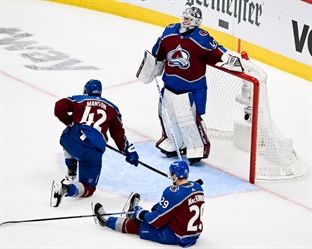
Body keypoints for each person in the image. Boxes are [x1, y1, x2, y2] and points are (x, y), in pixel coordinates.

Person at [136, 6, 243, 164]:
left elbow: (216, 50)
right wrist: (152, 66)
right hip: (169, 86)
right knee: (166, 116)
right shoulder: (170, 31)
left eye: (189, 18)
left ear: (197, 21)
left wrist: (228, 58)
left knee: (189, 120)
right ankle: (173, 142)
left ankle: (196, 146)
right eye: (185, 17)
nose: (186, 20)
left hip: (191, 89)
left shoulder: (201, 38)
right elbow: (158, 50)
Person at [51, 79, 139, 207]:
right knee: (88, 188)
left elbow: (59, 107)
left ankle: (71, 166)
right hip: (92, 150)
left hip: (72, 139)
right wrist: (127, 150)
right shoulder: (112, 108)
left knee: (70, 131)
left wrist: (69, 122)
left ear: (86, 91)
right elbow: (117, 133)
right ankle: (66, 189)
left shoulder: (79, 99)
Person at [93, 160, 205, 248]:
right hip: (194, 234)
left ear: (175, 176)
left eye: (172, 174)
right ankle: (135, 212)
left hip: (177, 235)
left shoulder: (172, 192)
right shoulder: (197, 187)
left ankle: (106, 221)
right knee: (159, 209)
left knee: (138, 225)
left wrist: (141, 214)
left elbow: (156, 222)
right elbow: (174, 205)